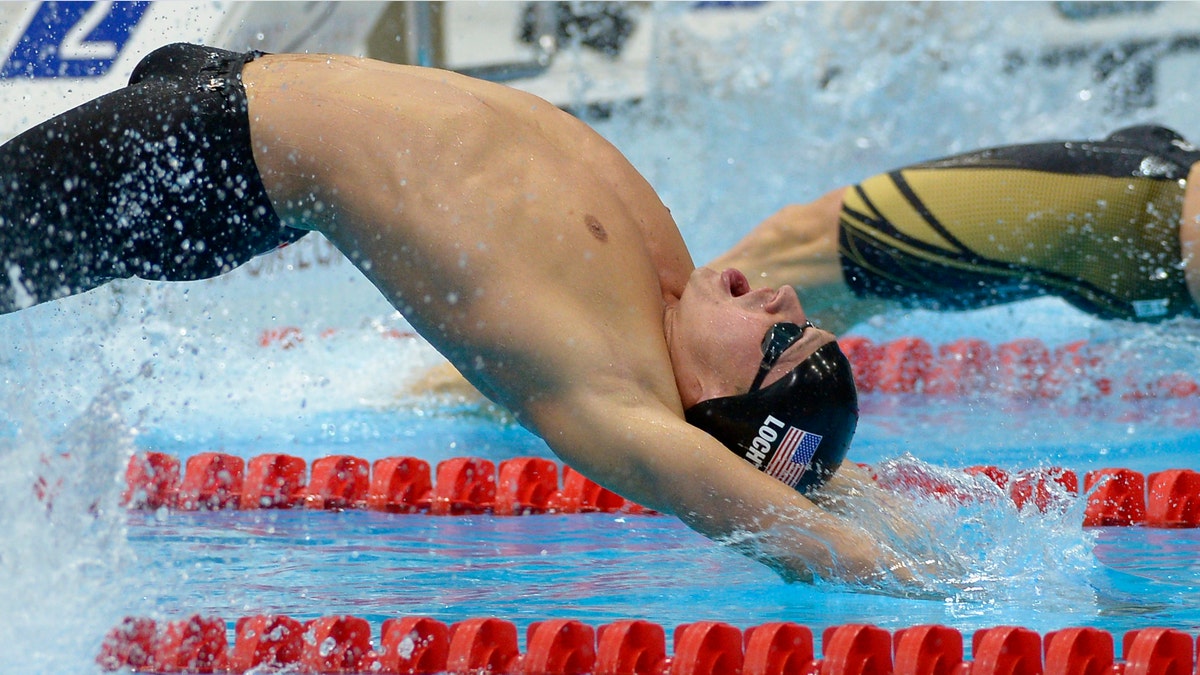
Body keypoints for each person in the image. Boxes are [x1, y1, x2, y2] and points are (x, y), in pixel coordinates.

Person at [0, 44, 929, 587]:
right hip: (232, 88)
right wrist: (871, 495)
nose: (782, 297)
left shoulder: (606, 391)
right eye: (800, 318)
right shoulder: (665, 291)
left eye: (776, 337)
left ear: (711, 401)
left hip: (212, 158)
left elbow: (779, 520)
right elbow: (795, 473)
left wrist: (936, 592)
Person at [713, 126, 1200, 334]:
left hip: (1141, 213)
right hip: (1142, 231)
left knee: (796, 241)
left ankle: (648, 370)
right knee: (846, 301)